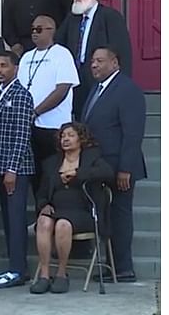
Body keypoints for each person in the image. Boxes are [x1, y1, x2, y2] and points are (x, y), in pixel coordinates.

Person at [82, 46, 146, 283]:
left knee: (120, 216)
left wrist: (125, 168)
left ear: (115, 63)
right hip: (100, 167)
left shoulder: (127, 90)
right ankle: (109, 265)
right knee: (106, 216)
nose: (94, 65)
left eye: (99, 61)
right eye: (92, 61)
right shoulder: (96, 89)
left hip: (119, 167)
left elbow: (132, 134)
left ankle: (123, 267)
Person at [30, 122, 115, 294]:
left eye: (71, 135)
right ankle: (45, 276)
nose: (65, 139)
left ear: (80, 139)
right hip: (57, 209)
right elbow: (42, 193)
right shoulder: (51, 163)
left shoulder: (92, 158)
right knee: (43, 222)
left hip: (83, 212)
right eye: (63, 136)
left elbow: (108, 174)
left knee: (63, 224)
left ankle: (62, 274)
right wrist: (43, 205)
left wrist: (79, 175)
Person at [18, 15, 79, 198]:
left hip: (53, 127)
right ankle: (41, 217)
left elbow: (62, 90)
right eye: (32, 29)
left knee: (52, 174)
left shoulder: (62, 54)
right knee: (36, 176)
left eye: (39, 29)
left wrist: (36, 111)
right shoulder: (27, 56)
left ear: (51, 31)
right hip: (30, 127)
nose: (34, 33)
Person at [0, 51, 35, 288]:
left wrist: (12, 169)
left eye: (4, 66)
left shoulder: (21, 95)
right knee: (7, 219)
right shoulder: (0, 92)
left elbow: (22, 136)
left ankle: (18, 269)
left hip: (14, 169)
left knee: (16, 219)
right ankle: (15, 267)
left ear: (15, 68)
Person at [55, 0, 133, 119]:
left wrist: (122, 83)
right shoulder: (72, 19)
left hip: (100, 77)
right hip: (77, 77)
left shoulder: (110, 16)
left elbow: (122, 51)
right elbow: (58, 43)